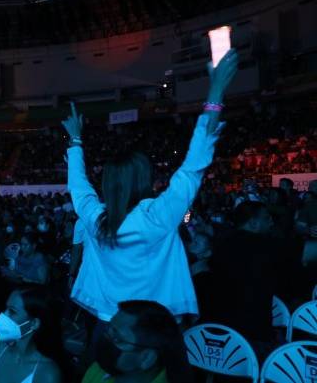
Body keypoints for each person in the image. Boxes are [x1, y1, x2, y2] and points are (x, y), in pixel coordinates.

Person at [61, 49, 238, 328]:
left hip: (107, 324)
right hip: (152, 329)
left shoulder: (95, 219)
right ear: (144, 178)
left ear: (107, 184)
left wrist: (75, 140)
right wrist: (215, 92)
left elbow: (78, 186)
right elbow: (194, 164)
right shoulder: (157, 215)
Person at [207, 201, 283, 359]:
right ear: (254, 223)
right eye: (267, 218)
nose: (271, 222)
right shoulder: (267, 246)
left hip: (216, 336)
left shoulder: (220, 244)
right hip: (253, 340)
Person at [83, 300, 192, 383]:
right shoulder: (98, 371)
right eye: (108, 329)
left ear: (146, 358)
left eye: (117, 339)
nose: (106, 338)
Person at [0, 287, 62, 383]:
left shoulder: (47, 374)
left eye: (12, 311)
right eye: (5, 308)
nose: (3, 315)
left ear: (34, 323)